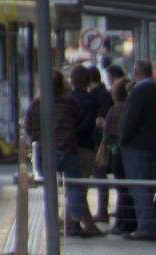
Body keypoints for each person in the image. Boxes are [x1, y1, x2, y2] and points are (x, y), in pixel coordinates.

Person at [24, 69, 96, 238]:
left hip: (46, 152)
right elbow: (78, 117)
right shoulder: (69, 102)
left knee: (49, 189)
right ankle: (74, 222)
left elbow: (28, 128)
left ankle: (51, 221)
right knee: (74, 187)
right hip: (68, 150)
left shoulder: (36, 104)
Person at [119, 59, 156, 241]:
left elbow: (130, 119)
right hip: (151, 144)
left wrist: (123, 139)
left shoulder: (138, 92)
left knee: (139, 187)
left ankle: (146, 227)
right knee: (149, 186)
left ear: (137, 73)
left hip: (136, 146)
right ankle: (152, 225)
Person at [68, 65, 103, 234]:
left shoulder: (67, 99)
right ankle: (75, 223)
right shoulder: (92, 101)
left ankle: (80, 223)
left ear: (72, 80)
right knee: (80, 187)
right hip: (86, 147)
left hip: (67, 147)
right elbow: (89, 125)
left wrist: (69, 134)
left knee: (74, 187)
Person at [102, 78, 136, 234]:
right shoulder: (130, 108)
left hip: (117, 153)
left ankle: (122, 222)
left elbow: (107, 134)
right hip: (130, 154)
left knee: (121, 189)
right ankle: (128, 221)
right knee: (128, 189)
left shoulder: (115, 110)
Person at [88, 66, 114, 221]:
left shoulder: (100, 96)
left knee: (100, 176)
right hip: (98, 142)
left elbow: (102, 120)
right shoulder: (102, 94)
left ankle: (102, 210)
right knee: (99, 177)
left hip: (98, 143)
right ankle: (102, 210)